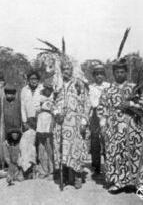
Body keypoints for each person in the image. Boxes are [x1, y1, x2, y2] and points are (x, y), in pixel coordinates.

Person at [98, 59, 143, 193]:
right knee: (115, 154)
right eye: (117, 72)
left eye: (122, 72)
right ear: (113, 73)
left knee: (136, 153)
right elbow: (102, 109)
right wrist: (103, 126)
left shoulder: (134, 88)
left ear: (126, 73)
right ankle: (118, 182)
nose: (119, 74)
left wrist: (131, 105)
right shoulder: (108, 90)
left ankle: (138, 184)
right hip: (114, 127)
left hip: (134, 126)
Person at [53, 60, 90, 189]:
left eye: (68, 69)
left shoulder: (79, 84)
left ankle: (78, 176)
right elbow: (53, 101)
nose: (66, 72)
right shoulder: (58, 85)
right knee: (63, 149)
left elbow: (86, 102)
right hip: (61, 122)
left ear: (72, 70)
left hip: (75, 121)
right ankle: (68, 176)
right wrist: (57, 112)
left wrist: (84, 120)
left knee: (76, 149)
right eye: (64, 69)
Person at [88, 63, 109, 176]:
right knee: (95, 142)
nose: (99, 76)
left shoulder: (108, 86)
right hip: (95, 116)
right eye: (97, 74)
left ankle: (108, 166)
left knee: (107, 140)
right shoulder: (91, 87)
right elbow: (89, 103)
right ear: (94, 76)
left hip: (106, 115)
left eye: (101, 74)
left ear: (104, 75)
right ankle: (96, 167)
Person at [36, 84, 55, 180]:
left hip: (49, 123)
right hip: (40, 123)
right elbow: (36, 109)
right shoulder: (39, 98)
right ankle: (43, 170)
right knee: (41, 146)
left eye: (49, 89)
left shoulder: (53, 98)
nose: (47, 91)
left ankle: (52, 170)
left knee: (50, 146)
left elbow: (54, 110)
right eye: (46, 89)